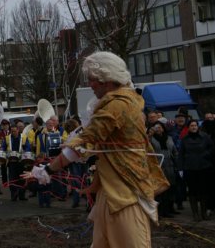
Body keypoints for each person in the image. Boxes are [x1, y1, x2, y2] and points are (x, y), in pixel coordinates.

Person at [24, 51, 168, 248]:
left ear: (107, 79)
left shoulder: (117, 105)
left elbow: (83, 143)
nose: (90, 85)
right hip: (110, 192)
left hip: (126, 193)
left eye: (92, 80)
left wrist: (46, 171)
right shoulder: (120, 102)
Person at [178, 120, 214, 221]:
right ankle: (195, 213)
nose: (194, 127)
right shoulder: (184, 139)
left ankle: (204, 213)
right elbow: (180, 154)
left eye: (195, 125)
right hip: (190, 168)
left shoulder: (205, 136)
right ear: (188, 127)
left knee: (204, 191)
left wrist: (206, 155)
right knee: (192, 192)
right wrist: (180, 168)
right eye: (192, 125)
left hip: (204, 167)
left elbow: (212, 148)